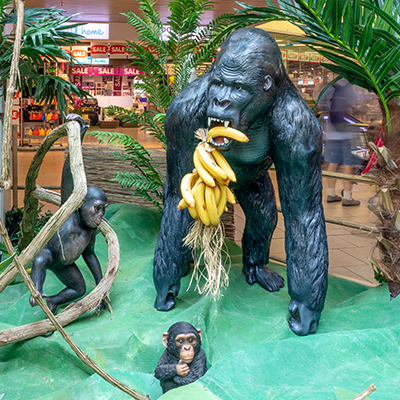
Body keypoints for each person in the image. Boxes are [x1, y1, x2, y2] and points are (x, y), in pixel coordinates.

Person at [323, 79, 361, 206]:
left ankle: (331, 194)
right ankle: (347, 197)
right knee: (347, 164)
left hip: (331, 133)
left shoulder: (329, 87)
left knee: (332, 163)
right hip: (345, 133)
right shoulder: (348, 86)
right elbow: (358, 104)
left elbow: (321, 104)